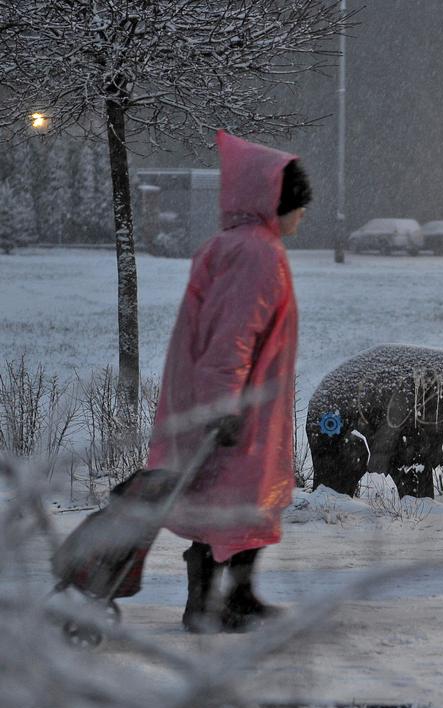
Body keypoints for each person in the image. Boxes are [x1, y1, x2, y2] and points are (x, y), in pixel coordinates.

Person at [147, 130, 311, 631]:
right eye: (299, 205)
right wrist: (224, 406)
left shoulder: (229, 246)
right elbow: (231, 339)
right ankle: (224, 604)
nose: (303, 216)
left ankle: (224, 600)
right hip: (238, 405)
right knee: (240, 497)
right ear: (274, 202)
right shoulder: (257, 253)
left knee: (227, 499)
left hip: (226, 400)